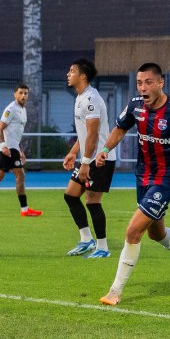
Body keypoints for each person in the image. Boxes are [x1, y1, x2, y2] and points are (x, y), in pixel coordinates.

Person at [94, 63, 170, 306]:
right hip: (143, 176)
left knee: (133, 231)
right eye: (140, 83)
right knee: (156, 233)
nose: (143, 88)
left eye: (148, 83)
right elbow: (120, 129)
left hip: (168, 178)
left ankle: (115, 291)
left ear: (160, 83)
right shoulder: (135, 106)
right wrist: (104, 149)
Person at [62, 59, 115, 259]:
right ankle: (86, 240)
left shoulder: (91, 99)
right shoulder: (80, 97)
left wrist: (85, 163)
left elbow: (93, 135)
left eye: (72, 70)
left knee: (92, 200)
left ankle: (103, 247)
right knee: (70, 195)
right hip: (87, 157)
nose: (68, 74)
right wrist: (73, 151)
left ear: (83, 75)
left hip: (100, 159)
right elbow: (85, 134)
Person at [0, 83, 42, 217]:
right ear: (15, 94)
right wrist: (4, 145)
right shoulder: (11, 109)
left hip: (13, 148)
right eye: (21, 93)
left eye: (26, 93)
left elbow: (17, 132)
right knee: (20, 176)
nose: (23, 95)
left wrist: (20, 150)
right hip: (8, 149)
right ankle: (24, 209)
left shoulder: (23, 109)